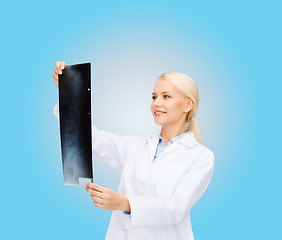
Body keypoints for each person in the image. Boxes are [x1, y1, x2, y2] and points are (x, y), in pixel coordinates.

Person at [52, 61, 215, 240]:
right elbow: (92, 140)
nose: (156, 103)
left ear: (187, 105)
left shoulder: (201, 157)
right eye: (154, 97)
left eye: (166, 96)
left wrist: (124, 203)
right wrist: (69, 92)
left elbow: (176, 209)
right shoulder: (135, 145)